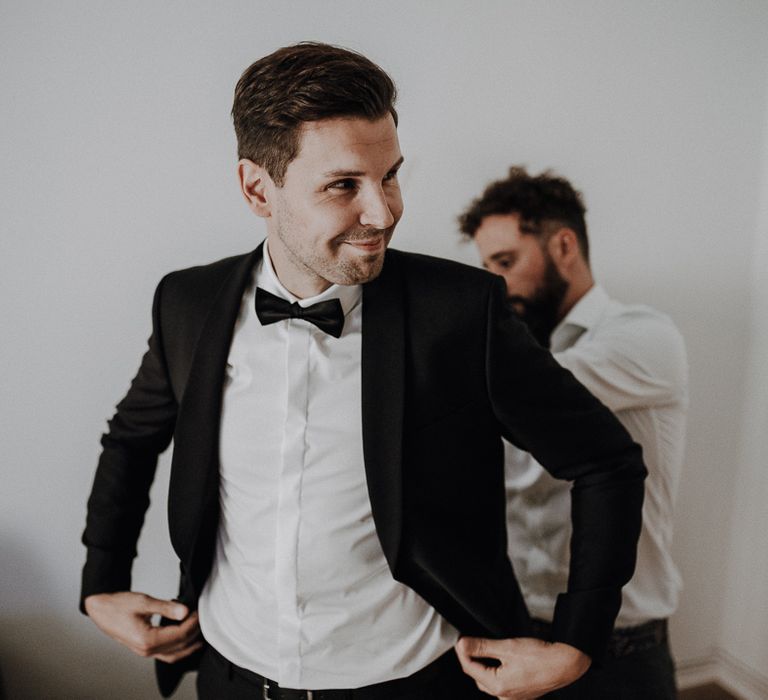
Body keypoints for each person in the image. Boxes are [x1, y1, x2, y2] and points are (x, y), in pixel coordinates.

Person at [81, 44, 647, 700]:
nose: (382, 213)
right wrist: (102, 582)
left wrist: (579, 640)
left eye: (391, 176)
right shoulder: (186, 303)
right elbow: (129, 440)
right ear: (257, 188)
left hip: (409, 681)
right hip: (230, 673)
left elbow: (605, 462)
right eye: (344, 185)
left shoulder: (462, 314)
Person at [459, 166, 688, 698]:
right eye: (486, 267)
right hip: (514, 634)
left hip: (622, 649)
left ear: (563, 245)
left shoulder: (645, 337)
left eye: (506, 262)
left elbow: (530, 392)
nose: (495, 283)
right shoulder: (514, 352)